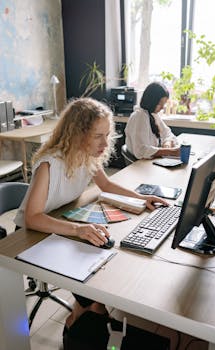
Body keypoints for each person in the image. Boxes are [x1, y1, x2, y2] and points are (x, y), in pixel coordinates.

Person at [14, 97, 168, 330]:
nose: (105, 144)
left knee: (104, 255)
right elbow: (32, 218)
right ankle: (79, 321)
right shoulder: (49, 165)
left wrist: (142, 198)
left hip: (61, 221)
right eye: (98, 136)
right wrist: (78, 229)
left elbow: (106, 185)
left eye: (107, 135)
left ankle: (87, 315)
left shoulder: (87, 156)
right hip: (33, 232)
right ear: (77, 133)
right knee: (93, 286)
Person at [125, 82, 180, 159]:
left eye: (163, 104)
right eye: (160, 104)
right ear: (152, 101)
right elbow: (141, 150)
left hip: (150, 162)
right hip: (141, 166)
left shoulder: (153, 115)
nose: (162, 108)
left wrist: (167, 143)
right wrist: (170, 151)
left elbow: (168, 133)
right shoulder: (140, 117)